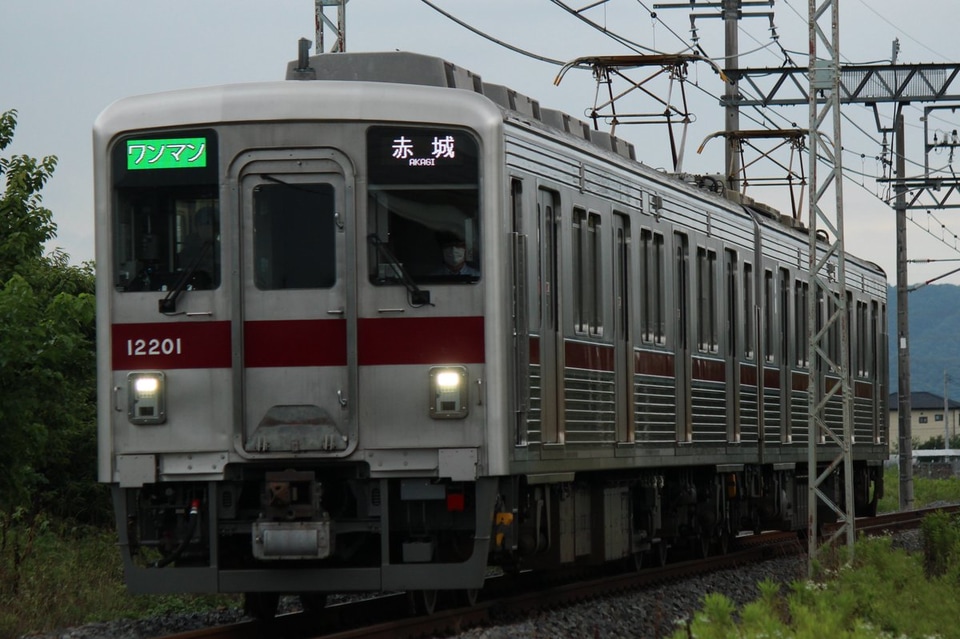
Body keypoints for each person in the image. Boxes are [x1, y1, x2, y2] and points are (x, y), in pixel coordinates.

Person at [178, 206, 218, 287]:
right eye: (201, 224)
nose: (206, 228)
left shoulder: (225, 249)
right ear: (196, 227)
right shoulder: (187, 251)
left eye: (210, 224)